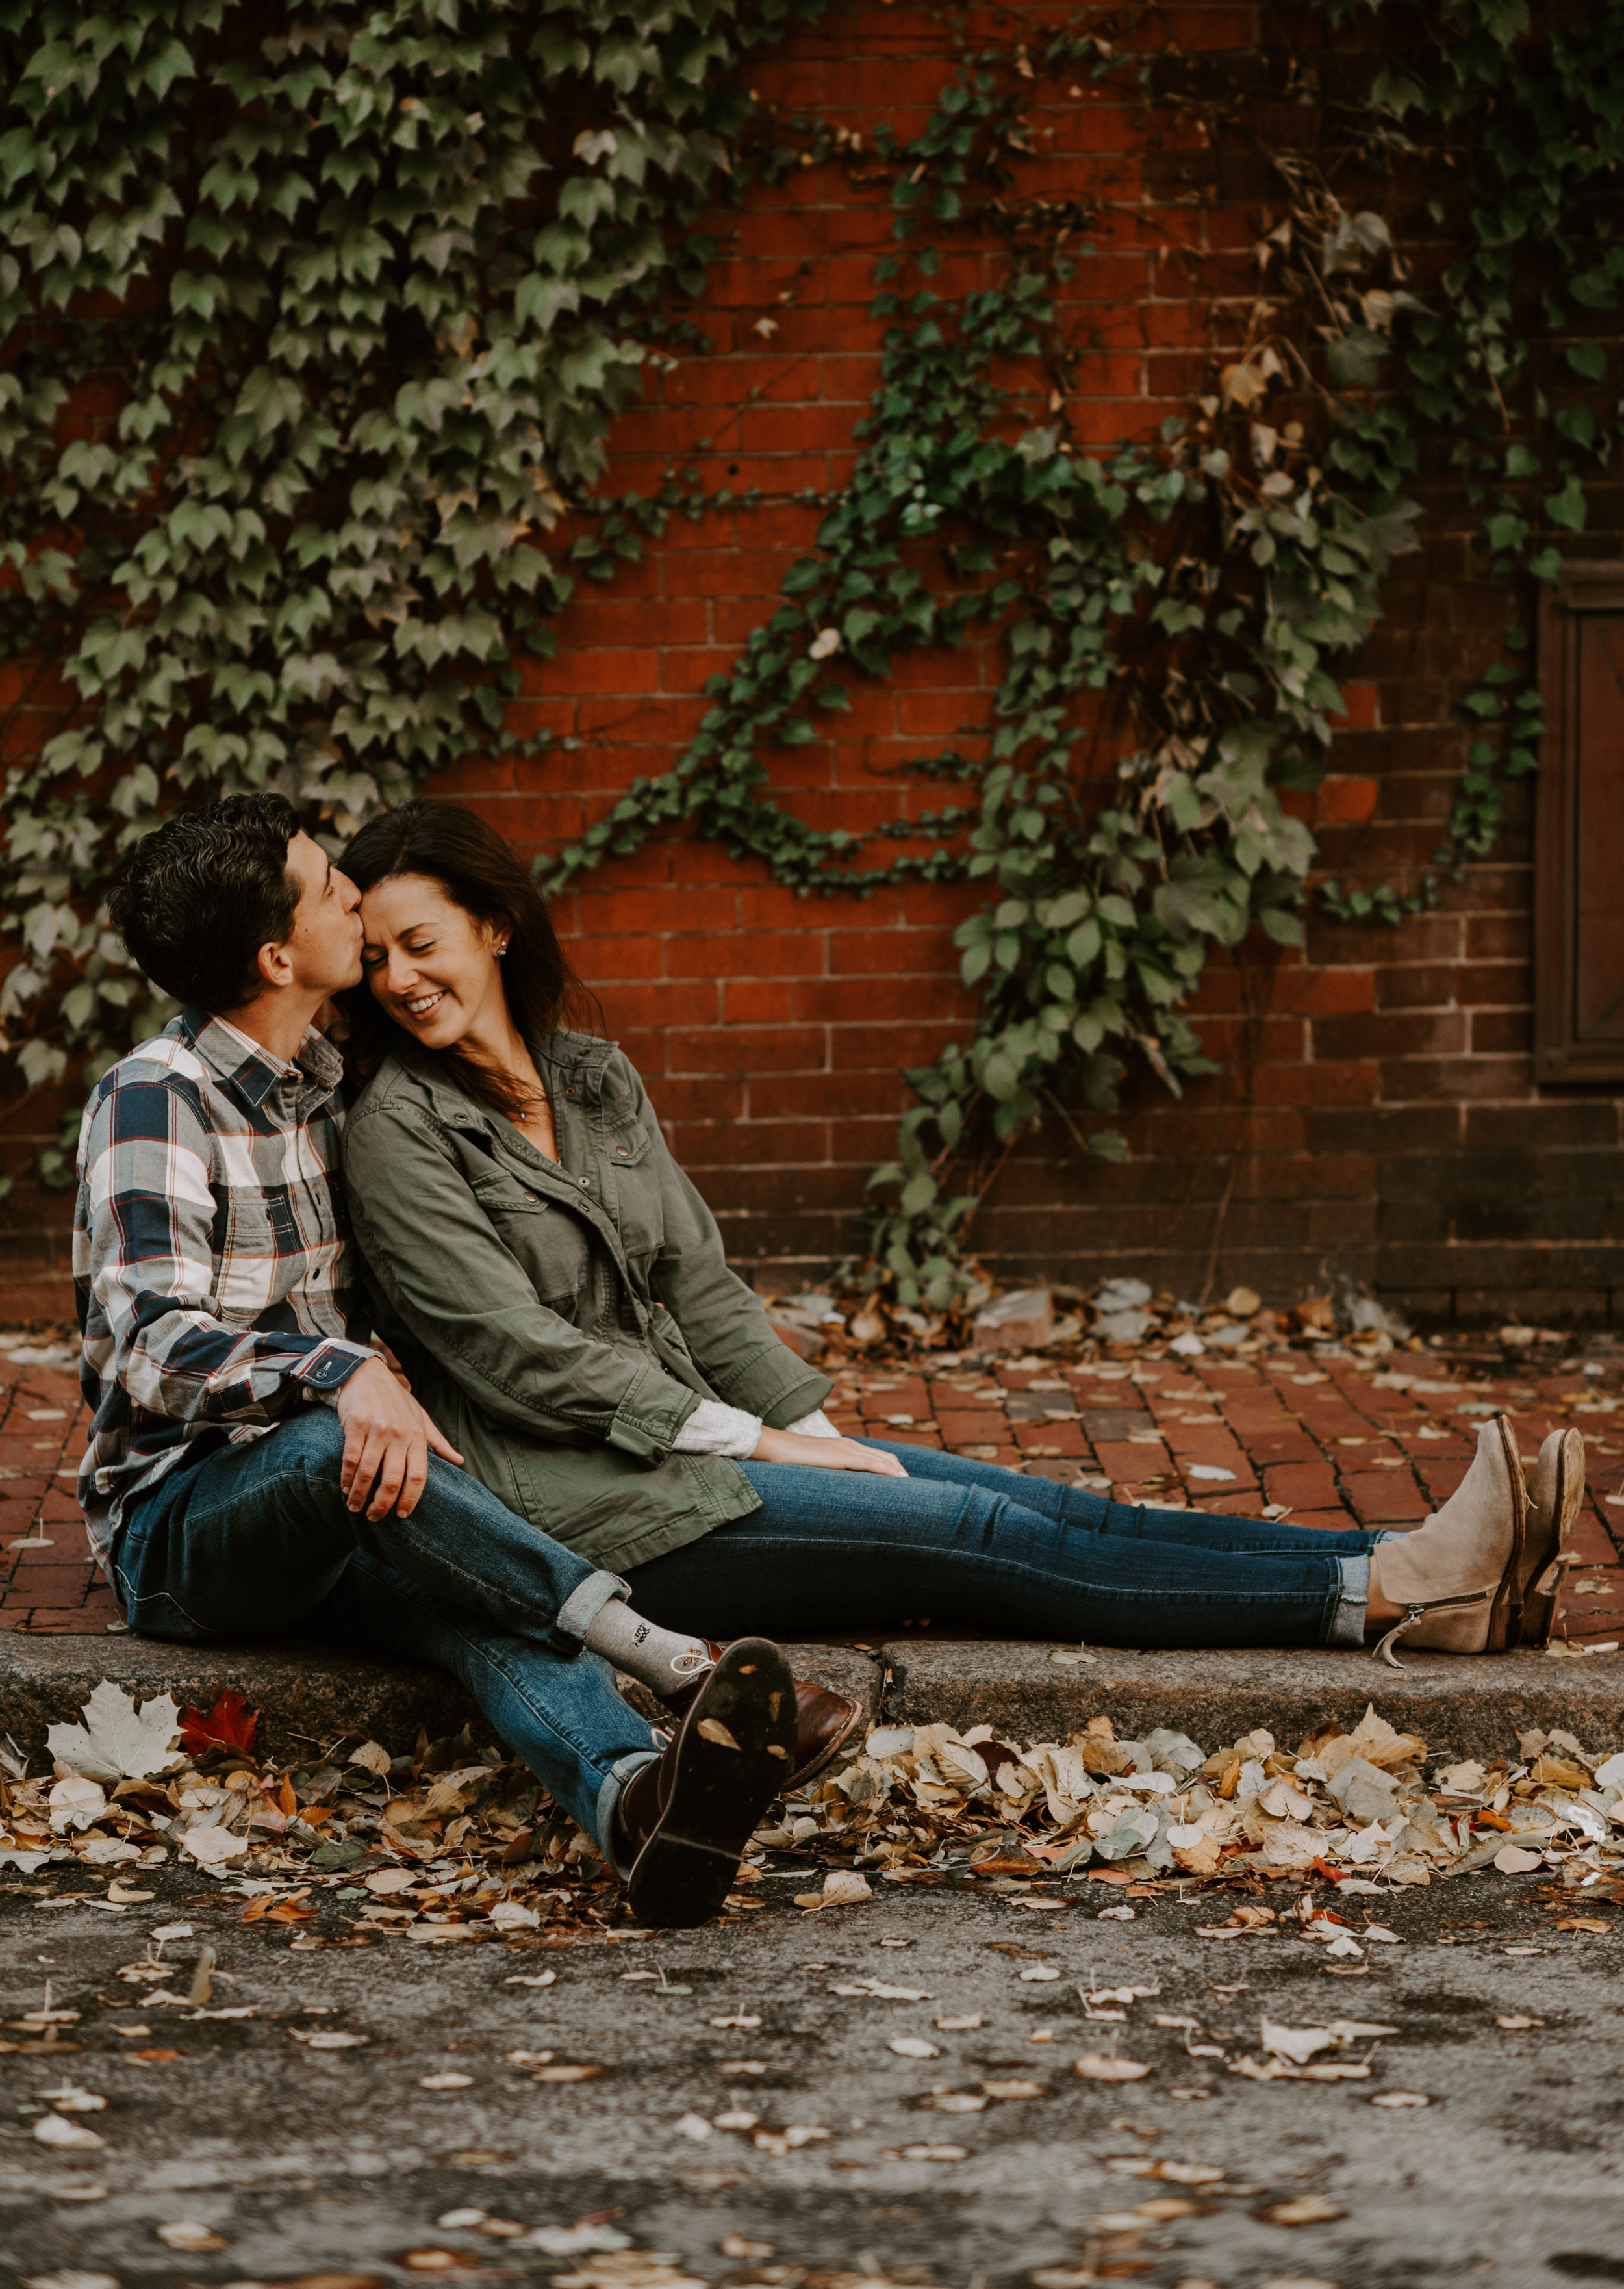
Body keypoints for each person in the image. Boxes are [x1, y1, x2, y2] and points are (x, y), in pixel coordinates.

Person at [337, 799, 1586, 1677]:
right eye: (378, 957)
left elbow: (700, 1286)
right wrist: (771, 1445)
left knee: (1043, 1502)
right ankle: (1386, 1597)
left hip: (707, 1454)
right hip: (587, 1505)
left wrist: (825, 1441)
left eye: (423, 942)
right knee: (982, 1541)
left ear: (495, 927)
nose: (398, 977)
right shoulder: (397, 1128)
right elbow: (514, 1354)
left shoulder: (592, 1078)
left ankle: (1410, 1563)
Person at [75, 793, 854, 1931]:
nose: (354, 891)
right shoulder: (157, 1098)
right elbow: (152, 1344)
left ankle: (638, 1803)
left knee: (478, 1609)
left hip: (346, 1491)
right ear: (280, 953)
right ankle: (673, 1662)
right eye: (331, 885)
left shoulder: (325, 1094)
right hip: (183, 1525)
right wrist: (339, 1371)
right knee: (329, 1442)